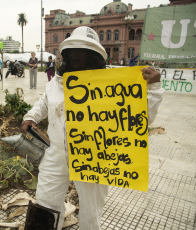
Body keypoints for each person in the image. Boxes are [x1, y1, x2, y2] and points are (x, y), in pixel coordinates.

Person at [21, 26, 164, 230]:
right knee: (45, 204)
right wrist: (31, 116)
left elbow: (140, 117)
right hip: (56, 154)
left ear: (94, 56)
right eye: (73, 50)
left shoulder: (111, 86)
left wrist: (153, 88)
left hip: (93, 157)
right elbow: (44, 102)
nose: (77, 55)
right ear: (66, 54)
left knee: (91, 212)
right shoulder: (56, 83)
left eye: (83, 50)